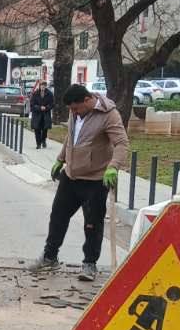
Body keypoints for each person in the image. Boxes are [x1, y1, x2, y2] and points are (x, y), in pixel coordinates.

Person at [36, 82, 129, 279]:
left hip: (95, 179)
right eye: (71, 109)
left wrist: (113, 166)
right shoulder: (76, 112)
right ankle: (49, 257)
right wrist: (60, 159)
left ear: (87, 100)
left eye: (76, 108)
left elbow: (121, 143)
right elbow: (70, 137)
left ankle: (89, 264)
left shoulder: (109, 114)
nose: (73, 112)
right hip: (70, 176)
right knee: (58, 216)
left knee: (92, 224)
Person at [29, 79, 54, 148]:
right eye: (42, 85)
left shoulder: (49, 94)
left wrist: (46, 107)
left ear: (46, 86)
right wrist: (39, 107)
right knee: (37, 129)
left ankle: (43, 141)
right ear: (39, 86)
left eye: (44, 85)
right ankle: (38, 143)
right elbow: (32, 104)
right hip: (37, 114)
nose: (43, 87)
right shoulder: (35, 93)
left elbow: (52, 104)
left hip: (45, 114)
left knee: (45, 129)